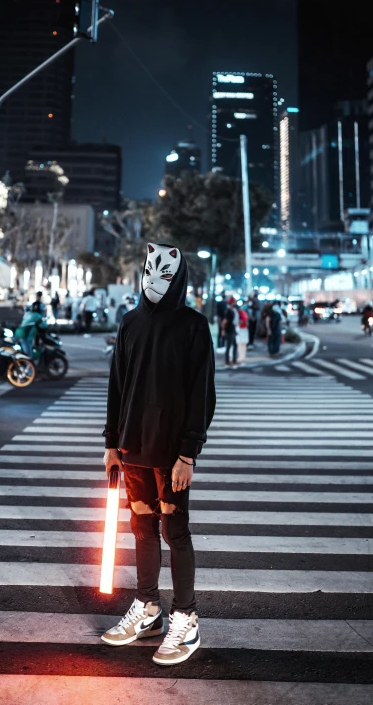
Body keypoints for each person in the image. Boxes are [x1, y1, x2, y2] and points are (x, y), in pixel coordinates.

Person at [102, 242, 215, 666]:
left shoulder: (193, 326)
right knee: (142, 528)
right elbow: (116, 386)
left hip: (171, 455)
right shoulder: (130, 323)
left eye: (164, 274)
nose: (155, 281)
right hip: (132, 449)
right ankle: (147, 608)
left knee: (175, 530)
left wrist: (188, 454)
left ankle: (186, 619)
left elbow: (202, 394)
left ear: (179, 277)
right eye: (150, 271)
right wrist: (111, 443)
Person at [221, 296, 238, 366]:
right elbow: (224, 322)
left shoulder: (232, 310)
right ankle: (227, 361)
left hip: (232, 330)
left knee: (234, 345)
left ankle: (233, 360)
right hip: (229, 331)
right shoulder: (228, 311)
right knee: (228, 346)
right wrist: (223, 330)